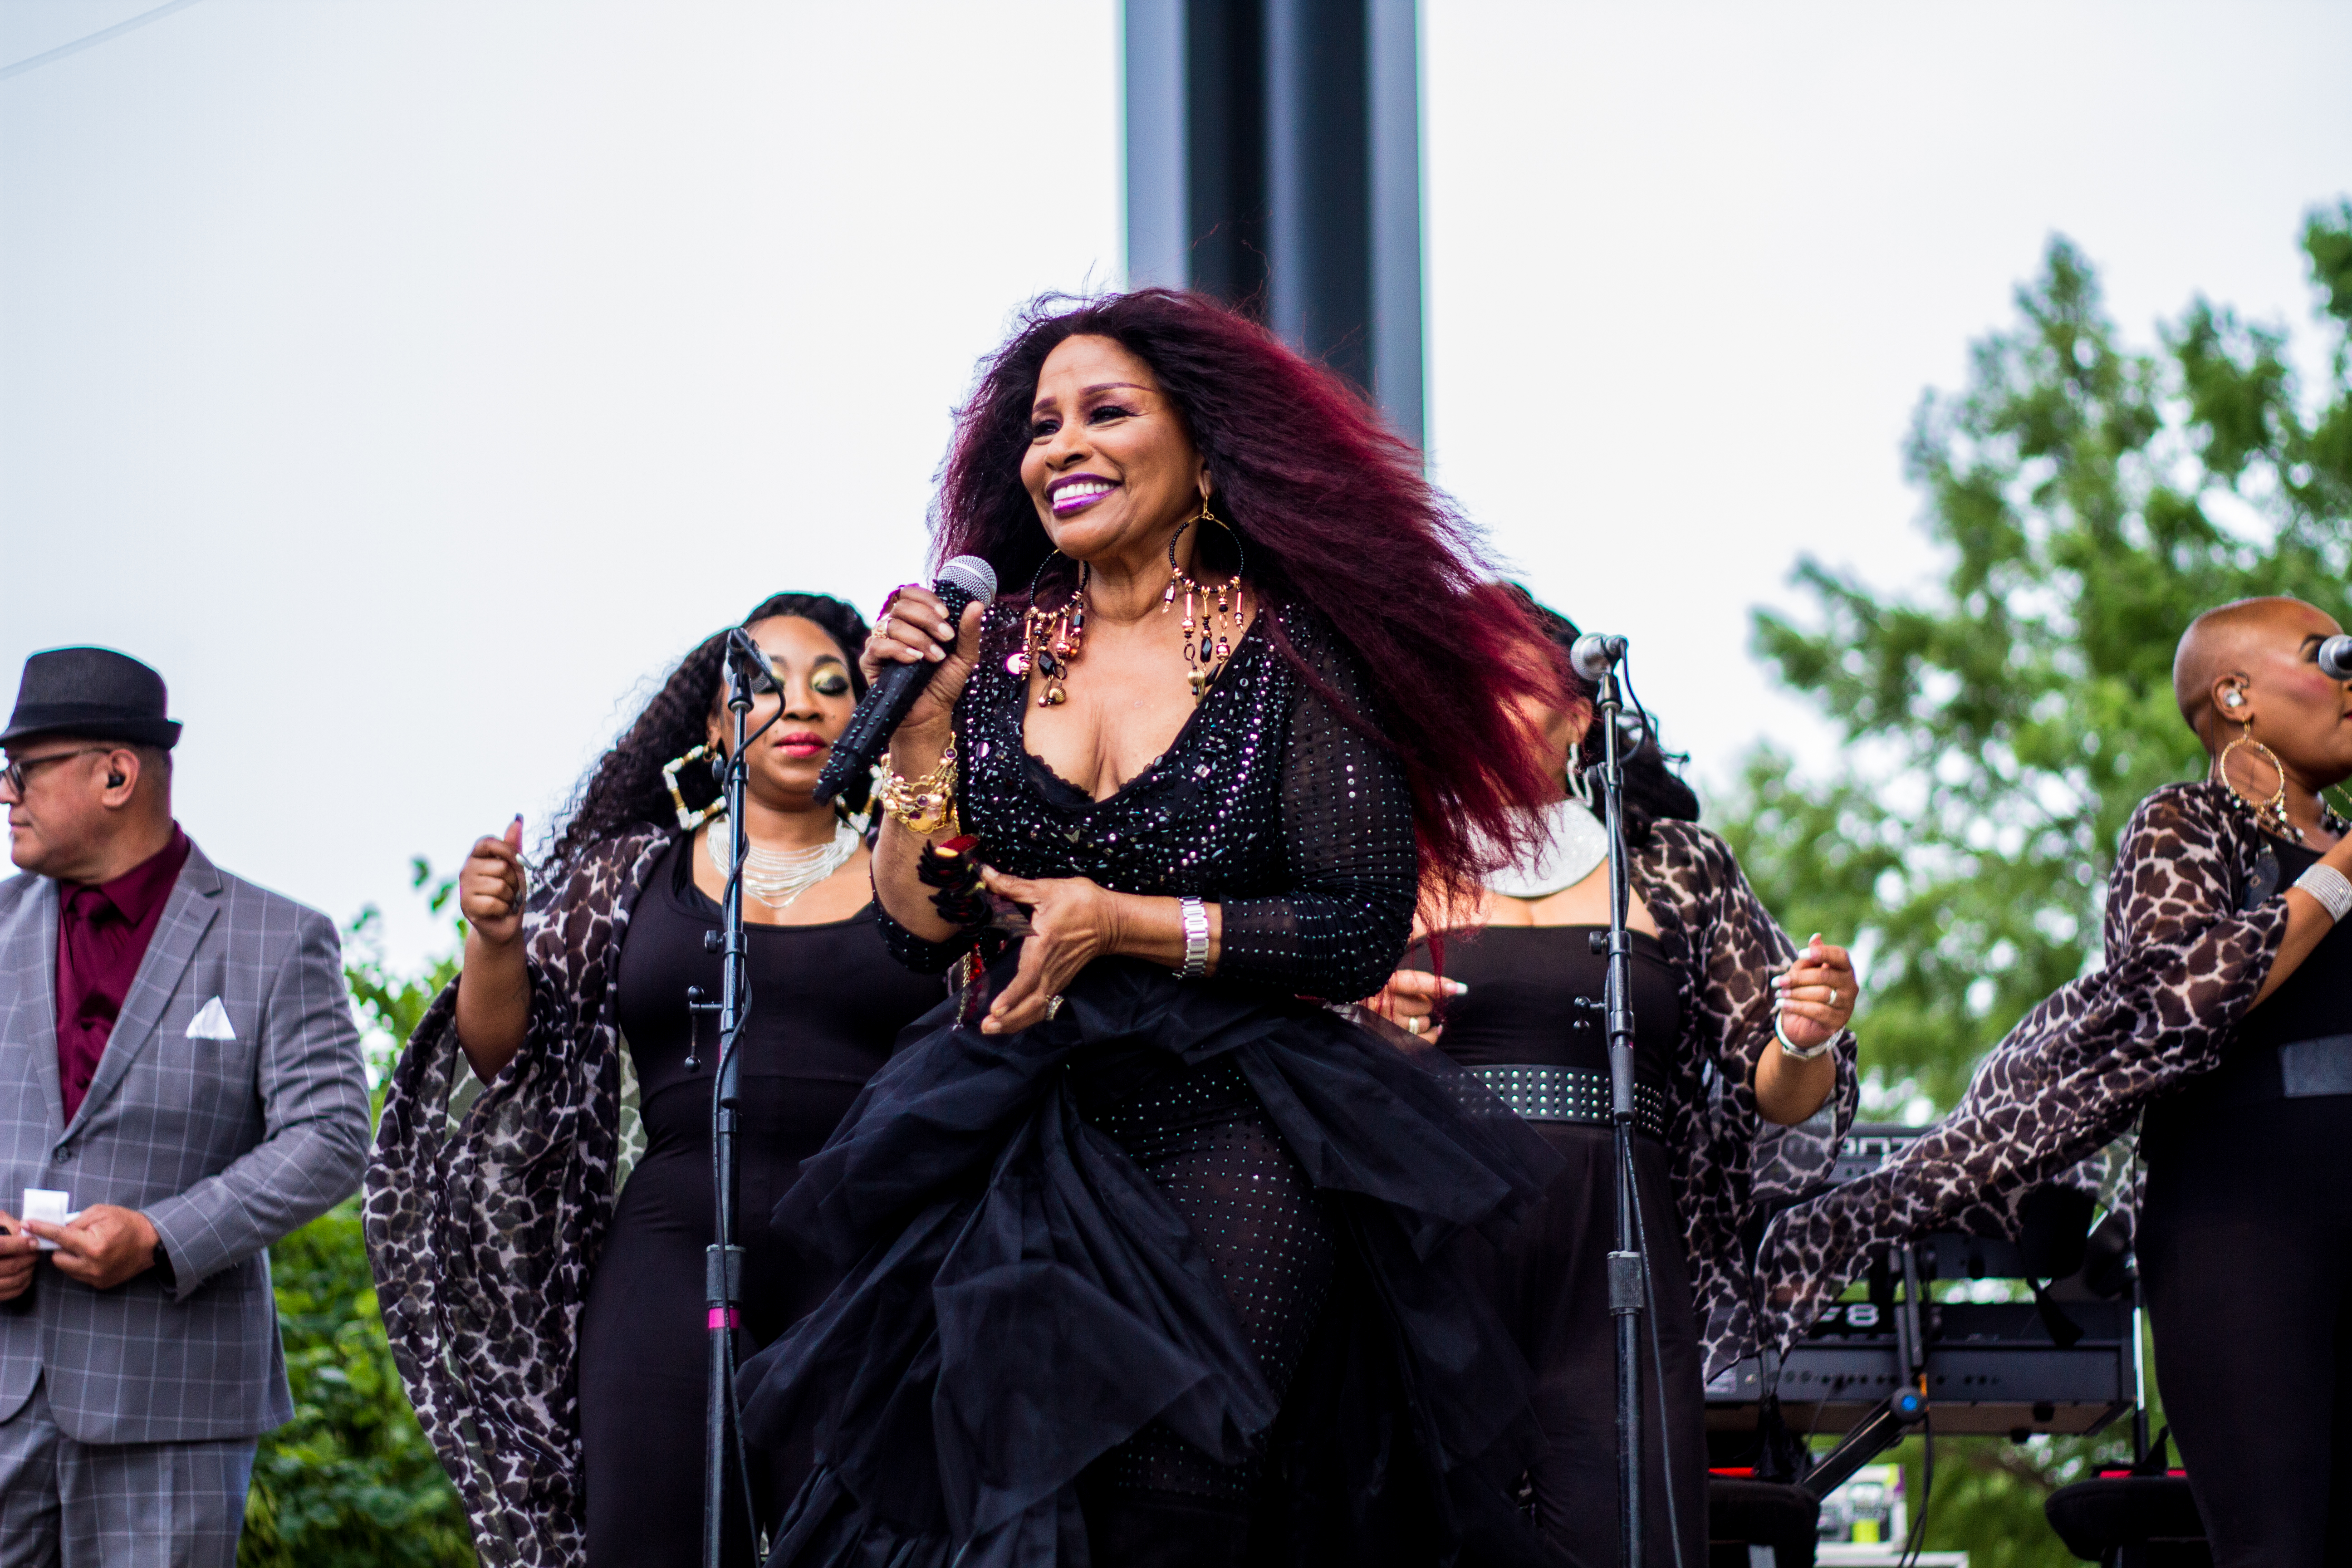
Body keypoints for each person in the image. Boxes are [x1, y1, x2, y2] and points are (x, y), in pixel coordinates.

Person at [735, 288, 1576, 1568]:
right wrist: (921, 729)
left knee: (1176, 1504)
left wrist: (1118, 924)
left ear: (1201, 448)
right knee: (984, 1509)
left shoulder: (1293, 653)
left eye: (1104, 413)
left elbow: (1353, 927)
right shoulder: (994, 653)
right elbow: (919, 925)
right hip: (1002, 1126)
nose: (1060, 446)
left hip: (1234, 1123)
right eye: (1040, 425)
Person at [1755, 595, 2352, 1568]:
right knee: (2276, 1545)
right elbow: (2181, 1001)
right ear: (2236, 694)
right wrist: (2341, 870)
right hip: (2244, 1224)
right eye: (2328, 656)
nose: (2349, 680)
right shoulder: (2183, 825)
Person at [364, 595, 946, 1568]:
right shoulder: (633, 875)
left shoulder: (916, 865)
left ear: (869, 714)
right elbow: (507, 1058)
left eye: (833, 685)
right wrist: (494, 939)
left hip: (865, 1262)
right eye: (763, 686)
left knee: (862, 1545)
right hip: (673, 1250)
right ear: (716, 725)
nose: (799, 705)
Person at [1362, 593, 1858, 1566]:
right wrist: (1365, 1029)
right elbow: (1291, 1048)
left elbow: (1776, 1094)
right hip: (1434, 1237)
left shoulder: (1672, 864)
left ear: (1580, 712)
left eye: (1507, 680)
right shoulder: (1388, 851)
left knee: (1621, 1523)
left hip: (1619, 1240)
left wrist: (1806, 1037)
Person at [0, 646, 372, 1566]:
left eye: (24, 770)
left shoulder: (280, 941)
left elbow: (330, 1139)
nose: (7, 793)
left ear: (117, 773)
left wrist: (164, 1237)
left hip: (172, 1407)